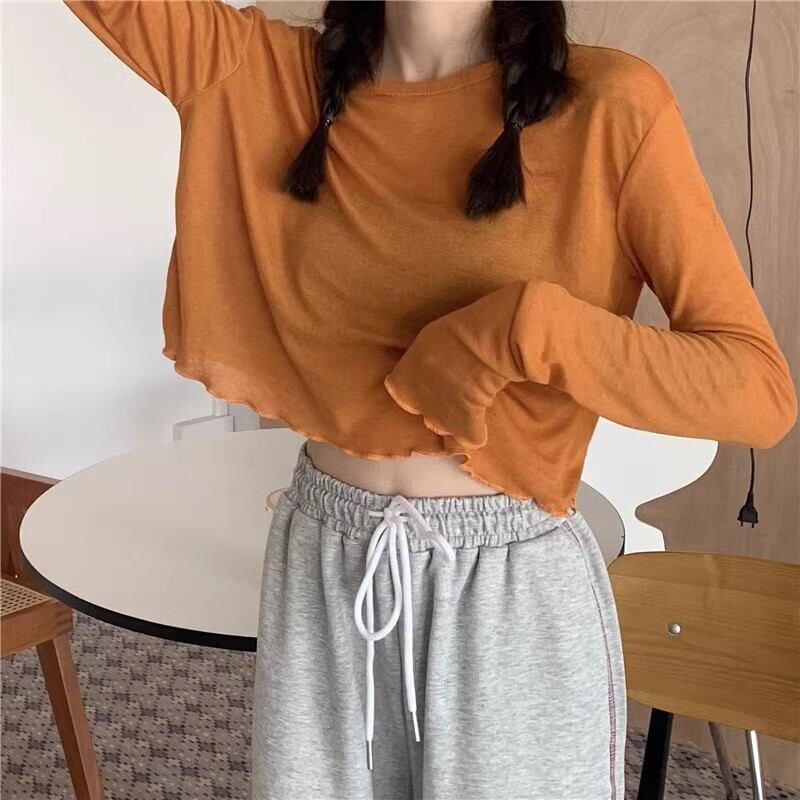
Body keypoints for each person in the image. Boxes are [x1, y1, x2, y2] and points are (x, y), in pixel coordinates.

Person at [62, 2, 798, 798]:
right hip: (324, 562)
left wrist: (529, 330)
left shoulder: (613, 105)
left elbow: (756, 390)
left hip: (509, 588)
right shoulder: (255, 72)